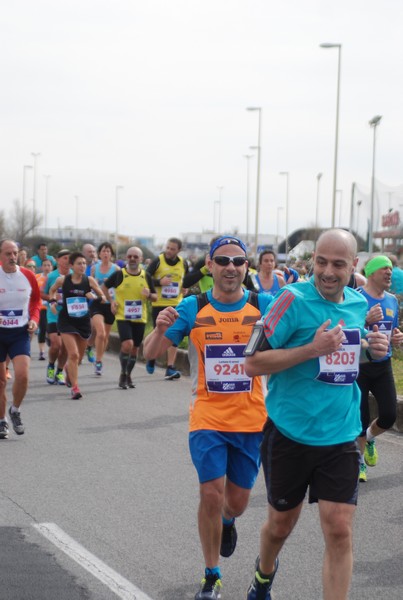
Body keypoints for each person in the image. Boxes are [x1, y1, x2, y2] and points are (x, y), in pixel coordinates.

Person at [243, 229, 389, 600]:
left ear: (351, 266)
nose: (327, 271)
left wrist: (374, 349)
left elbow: (351, 357)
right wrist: (311, 348)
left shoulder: (357, 304)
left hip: (340, 435)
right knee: (280, 525)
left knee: (339, 528)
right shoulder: (289, 300)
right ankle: (264, 574)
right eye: (320, 261)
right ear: (312, 262)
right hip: (290, 434)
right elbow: (253, 364)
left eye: (338, 264)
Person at [143, 235, 272, 600]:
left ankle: (229, 522)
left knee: (237, 503)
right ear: (210, 267)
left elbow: (302, 334)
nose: (231, 267)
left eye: (238, 261)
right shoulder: (192, 307)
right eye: (223, 260)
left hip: (251, 420)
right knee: (210, 494)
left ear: (246, 268)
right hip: (207, 418)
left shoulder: (265, 304)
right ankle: (211, 575)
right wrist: (158, 326)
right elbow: (151, 353)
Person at [356, 255, 403, 482]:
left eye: (391, 269)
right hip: (360, 364)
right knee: (361, 417)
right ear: (372, 272)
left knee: (388, 414)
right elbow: (345, 329)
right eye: (385, 268)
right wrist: (365, 319)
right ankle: (358, 463)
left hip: (383, 364)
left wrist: (397, 338)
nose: (389, 273)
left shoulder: (393, 300)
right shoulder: (356, 298)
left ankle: (370, 438)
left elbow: (392, 331)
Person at [49, 252, 106, 399]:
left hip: (83, 322)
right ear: (72, 266)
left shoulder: (90, 280)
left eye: (84, 263)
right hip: (66, 321)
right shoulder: (63, 280)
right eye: (79, 263)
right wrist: (53, 302)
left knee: (79, 358)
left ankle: (69, 369)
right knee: (73, 354)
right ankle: (75, 388)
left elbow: (103, 297)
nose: (82, 266)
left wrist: (93, 297)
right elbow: (52, 291)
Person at [0, 240, 41, 439]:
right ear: (0, 256)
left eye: (15, 253)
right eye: (8, 253)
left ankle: (15, 410)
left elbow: (36, 301)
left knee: (23, 375)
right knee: (0, 382)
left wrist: (34, 319)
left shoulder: (28, 276)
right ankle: (1, 421)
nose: (12, 257)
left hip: (19, 332)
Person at [102, 246, 156, 389]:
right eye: (130, 256)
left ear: (141, 259)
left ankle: (128, 375)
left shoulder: (146, 276)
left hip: (140, 318)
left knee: (134, 349)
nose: (132, 259)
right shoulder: (120, 274)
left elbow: (155, 297)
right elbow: (104, 287)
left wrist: (149, 295)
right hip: (123, 316)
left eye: (135, 257)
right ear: (126, 257)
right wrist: (111, 301)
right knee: (127, 344)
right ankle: (122, 373)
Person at [146, 237, 188, 379]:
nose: (169, 251)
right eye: (168, 247)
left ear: (179, 250)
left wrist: (185, 288)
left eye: (173, 249)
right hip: (159, 303)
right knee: (158, 332)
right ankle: (151, 358)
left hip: (177, 303)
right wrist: (159, 282)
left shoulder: (183, 263)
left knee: (175, 334)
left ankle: (170, 367)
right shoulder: (158, 260)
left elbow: (185, 279)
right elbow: (145, 277)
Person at [90, 242, 120, 376]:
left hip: (111, 304)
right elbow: (90, 285)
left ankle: (99, 357)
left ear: (111, 254)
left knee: (105, 335)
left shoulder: (116, 269)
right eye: (103, 251)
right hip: (97, 303)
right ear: (99, 253)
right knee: (100, 332)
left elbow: (120, 288)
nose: (106, 253)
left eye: (108, 251)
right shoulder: (94, 268)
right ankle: (98, 361)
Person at [42, 249, 71, 385]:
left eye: (69, 258)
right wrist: (52, 298)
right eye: (65, 258)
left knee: (65, 347)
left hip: (69, 317)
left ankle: (60, 371)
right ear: (58, 260)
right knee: (56, 344)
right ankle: (51, 365)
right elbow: (42, 293)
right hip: (53, 315)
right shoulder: (51, 276)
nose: (67, 261)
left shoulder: (75, 276)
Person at [81, 243, 98, 362]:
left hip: (95, 303)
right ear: (83, 254)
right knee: (83, 330)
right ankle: (80, 350)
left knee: (95, 328)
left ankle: (89, 346)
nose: (91, 254)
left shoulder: (99, 267)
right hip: (82, 303)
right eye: (89, 251)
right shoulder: (80, 267)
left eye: (93, 251)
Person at [34, 258, 53, 360]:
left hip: (53, 307)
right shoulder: (37, 277)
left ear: (52, 267)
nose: (47, 267)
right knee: (43, 328)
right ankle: (41, 351)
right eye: (45, 265)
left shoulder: (55, 278)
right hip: (41, 307)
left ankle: (51, 342)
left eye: (49, 265)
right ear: (41, 267)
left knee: (51, 329)